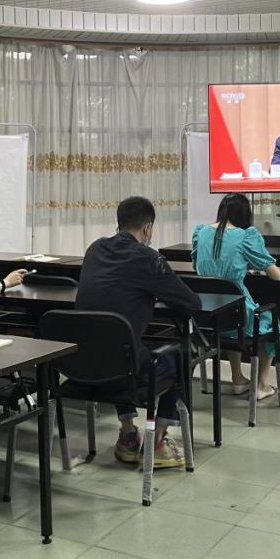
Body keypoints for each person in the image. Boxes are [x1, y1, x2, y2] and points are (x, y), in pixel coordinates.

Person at [75, 196, 201, 468]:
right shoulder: (148, 258)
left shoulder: (94, 249)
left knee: (120, 345)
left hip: (80, 366)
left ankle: (129, 435)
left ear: (119, 223)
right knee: (186, 351)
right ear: (148, 228)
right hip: (122, 372)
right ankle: (158, 441)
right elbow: (192, 303)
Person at [192, 193, 280, 400]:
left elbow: (196, 266)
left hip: (208, 315)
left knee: (233, 322)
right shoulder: (245, 236)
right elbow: (276, 276)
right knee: (272, 326)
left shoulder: (201, 232)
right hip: (238, 312)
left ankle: (238, 379)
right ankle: (261, 385)